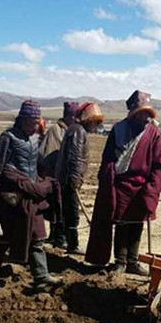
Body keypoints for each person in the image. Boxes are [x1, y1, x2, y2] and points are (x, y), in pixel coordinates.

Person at [86, 91, 161, 275]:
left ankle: (133, 261)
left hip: (143, 186)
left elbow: (159, 162)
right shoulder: (119, 129)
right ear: (134, 113)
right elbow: (108, 158)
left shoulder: (153, 132)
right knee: (122, 223)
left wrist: (153, 187)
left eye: (148, 113)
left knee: (137, 223)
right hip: (121, 185)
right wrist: (107, 180)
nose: (146, 117)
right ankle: (120, 261)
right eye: (142, 113)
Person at [0, 100, 61, 293]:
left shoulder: (35, 138)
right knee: (3, 239)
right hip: (11, 197)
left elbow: (35, 166)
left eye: (38, 122)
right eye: (33, 122)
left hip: (30, 195)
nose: (36, 126)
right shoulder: (7, 138)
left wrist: (40, 183)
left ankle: (41, 276)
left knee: (37, 237)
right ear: (23, 120)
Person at [56, 101, 104, 255]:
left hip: (68, 179)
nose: (95, 126)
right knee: (72, 213)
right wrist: (74, 178)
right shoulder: (78, 131)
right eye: (94, 122)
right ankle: (73, 244)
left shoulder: (75, 129)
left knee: (69, 211)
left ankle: (68, 241)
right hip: (70, 180)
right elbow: (75, 157)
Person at [39, 102, 78, 248]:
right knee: (58, 207)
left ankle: (58, 236)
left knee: (62, 207)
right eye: (74, 116)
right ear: (69, 116)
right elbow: (47, 155)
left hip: (64, 177)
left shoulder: (70, 130)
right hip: (55, 177)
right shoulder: (56, 130)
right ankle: (58, 237)